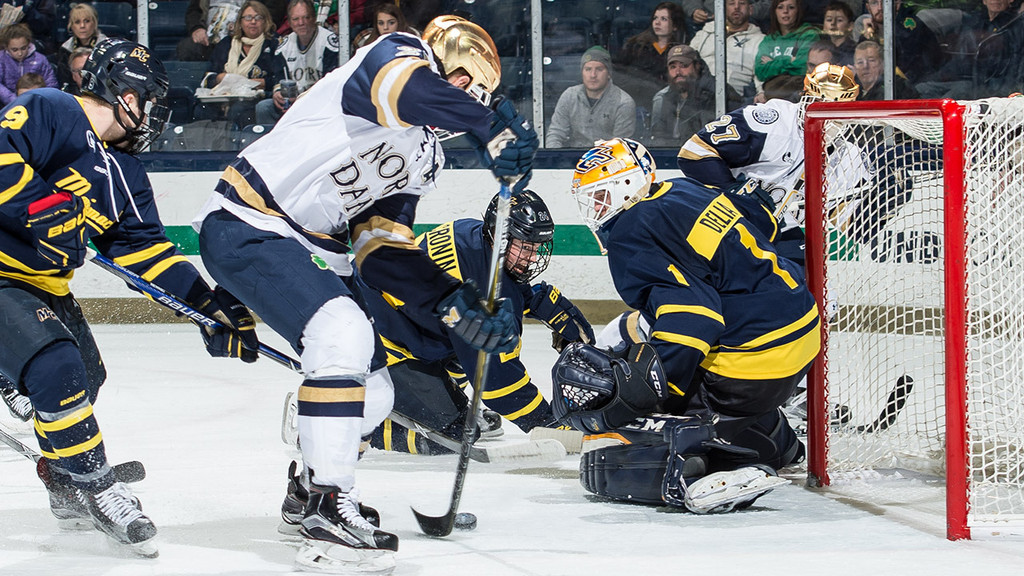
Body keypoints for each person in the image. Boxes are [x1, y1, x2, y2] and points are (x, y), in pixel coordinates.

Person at [191, 15, 537, 572]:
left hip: (309, 249)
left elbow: (379, 249)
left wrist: (453, 301)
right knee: (342, 333)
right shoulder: (395, 55)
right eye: (468, 85)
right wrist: (489, 125)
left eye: (481, 95)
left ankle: (306, 492)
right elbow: (405, 89)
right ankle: (329, 510)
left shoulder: (426, 155)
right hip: (247, 220)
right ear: (444, 62)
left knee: (376, 393)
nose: (471, 99)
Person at [0, 38, 258, 557]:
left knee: (86, 378)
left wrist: (208, 306)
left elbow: (147, 254)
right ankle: (97, 486)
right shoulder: (51, 108)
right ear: (128, 95)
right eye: (153, 101)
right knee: (56, 366)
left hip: (44, 286)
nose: (155, 116)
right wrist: (42, 204)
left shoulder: (127, 175)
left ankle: (64, 482)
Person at [557, 136, 813, 513]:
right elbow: (763, 221)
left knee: (628, 412)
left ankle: (696, 459)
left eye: (599, 195)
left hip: (752, 363)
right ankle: (776, 439)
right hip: (800, 335)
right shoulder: (684, 188)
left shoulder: (631, 229)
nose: (595, 208)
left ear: (625, 185)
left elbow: (695, 318)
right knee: (634, 329)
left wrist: (653, 389)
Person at [359, 189, 593, 454]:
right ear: (500, 238)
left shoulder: (472, 234)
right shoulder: (484, 288)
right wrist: (547, 422)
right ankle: (349, 425)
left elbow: (487, 287)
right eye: (525, 247)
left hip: (398, 321)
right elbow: (497, 382)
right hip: (376, 343)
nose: (532, 257)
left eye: (537, 247)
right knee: (453, 435)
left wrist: (539, 300)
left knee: (458, 348)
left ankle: (432, 400)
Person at [677, 63, 862, 264]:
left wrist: (880, 208)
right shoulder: (772, 122)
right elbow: (693, 152)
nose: (827, 119)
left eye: (837, 111)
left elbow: (843, 217)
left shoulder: (847, 154)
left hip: (782, 233)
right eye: (820, 105)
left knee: (810, 292)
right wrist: (736, 197)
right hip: (731, 225)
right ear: (805, 96)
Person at [915, 0, 1024, 99]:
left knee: (951, 98)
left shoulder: (1014, 28)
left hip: (987, 89)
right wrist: (934, 78)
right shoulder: (973, 24)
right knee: (922, 89)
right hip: (961, 81)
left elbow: (1013, 74)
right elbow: (958, 62)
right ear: (984, 1)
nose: (994, 0)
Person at [255, 0, 339, 125]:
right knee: (264, 107)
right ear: (289, 22)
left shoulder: (329, 43)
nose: (301, 23)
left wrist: (303, 98)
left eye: (306, 17)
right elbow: (279, 78)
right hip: (293, 103)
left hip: (321, 102)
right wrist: (278, 93)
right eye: (296, 19)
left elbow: (332, 84)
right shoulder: (284, 46)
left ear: (314, 18)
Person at [200, 0, 278, 127]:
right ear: (240, 22)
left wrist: (256, 83)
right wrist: (221, 78)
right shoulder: (226, 44)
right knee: (202, 110)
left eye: (258, 18)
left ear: (265, 21)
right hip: (224, 98)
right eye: (248, 18)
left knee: (239, 111)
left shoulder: (274, 44)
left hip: (256, 100)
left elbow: (279, 79)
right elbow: (207, 78)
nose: (253, 22)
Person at [546, 46, 636, 148]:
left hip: (607, 160)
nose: (593, 75)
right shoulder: (569, 95)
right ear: (582, 73)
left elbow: (620, 147)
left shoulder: (623, 102)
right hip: (569, 160)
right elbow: (555, 134)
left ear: (609, 74)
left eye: (599, 69)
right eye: (588, 69)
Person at [650, 45, 739, 147]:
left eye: (684, 66)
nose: (678, 72)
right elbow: (659, 136)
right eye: (673, 67)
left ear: (697, 66)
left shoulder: (718, 92)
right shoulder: (665, 97)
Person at [689, 0, 766, 103]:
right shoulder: (703, 33)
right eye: (731, 3)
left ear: (750, 9)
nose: (737, 7)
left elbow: (762, 72)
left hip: (731, 99)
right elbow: (687, 61)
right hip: (696, 93)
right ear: (722, 8)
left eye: (742, 3)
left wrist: (761, 92)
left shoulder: (760, 40)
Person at [615, 2, 688, 109]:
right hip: (634, 101)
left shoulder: (679, 51)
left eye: (663, 19)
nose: (657, 23)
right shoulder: (635, 46)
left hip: (665, 105)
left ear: (675, 26)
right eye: (655, 18)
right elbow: (618, 72)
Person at [853, 0, 944, 85]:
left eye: (885, 2)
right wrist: (870, 37)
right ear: (868, 8)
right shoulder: (869, 32)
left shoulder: (910, 27)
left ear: (897, 3)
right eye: (874, 3)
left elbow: (908, 67)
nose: (880, 7)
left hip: (919, 86)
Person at [178, 0, 288, 61]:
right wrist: (197, 28)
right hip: (209, 39)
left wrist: (246, 26)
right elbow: (193, 11)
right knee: (187, 48)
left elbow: (274, 10)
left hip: (245, 36)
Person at [754, 0, 820, 103]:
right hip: (772, 94)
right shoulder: (769, 39)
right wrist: (789, 60)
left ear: (798, 11)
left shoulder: (809, 34)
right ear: (774, 11)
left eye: (791, 7)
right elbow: (760, 71)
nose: (785, 11)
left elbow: (804, 67)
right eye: (780, 7)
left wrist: (772, 63)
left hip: (798, 95)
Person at [53, 3, 107, 97]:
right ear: (71, 26)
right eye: (77, 22)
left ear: (94, 23)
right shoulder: (65, 49)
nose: (82, 26)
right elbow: (64, 81)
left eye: (87, 21)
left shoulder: (106, 46)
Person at [0, 24, 57, 106]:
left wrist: (43, 100)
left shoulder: (40, 59)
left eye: (23, 48)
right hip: (7, 105)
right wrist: (13, 100)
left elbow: (51, 84)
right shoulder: (1, 59)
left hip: (37, 102)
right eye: (14, 50)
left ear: (29, 43)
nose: (20, 53)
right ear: (6, 47)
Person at [853, 40, 918, 100]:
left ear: (883, 64)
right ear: (855, 67)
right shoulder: (851, 90)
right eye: (860, 62)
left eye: (871, 60)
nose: (865, 66)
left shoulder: (896, 88)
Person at [350, 2, 417, 54]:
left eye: (391, 23)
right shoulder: (365, 43)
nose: (385, 27)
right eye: (381, 23)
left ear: (399, 22)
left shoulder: (413, 41)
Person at [821, 1, 856, 67]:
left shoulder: (854, 50)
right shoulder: (820, 47)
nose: (833, 23)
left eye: (839, 20)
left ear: (850, 26)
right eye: (829, 20)